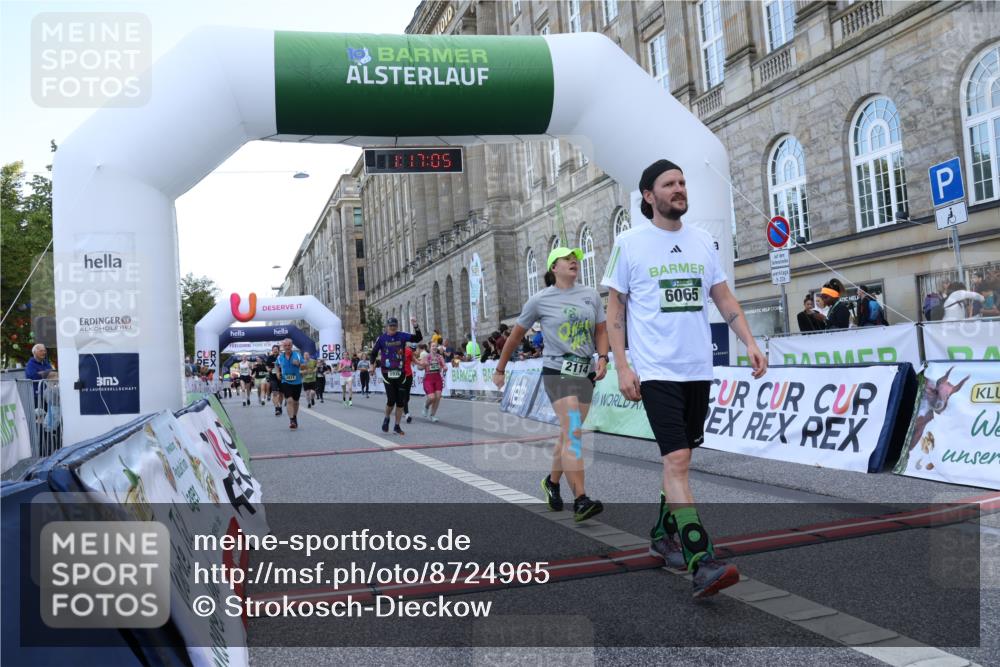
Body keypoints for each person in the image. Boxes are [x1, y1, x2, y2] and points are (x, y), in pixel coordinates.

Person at [602, 158, 767, 599]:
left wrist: (750, 341)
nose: (679, 189)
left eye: (682, 182)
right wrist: (622, 365)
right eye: (668, 184)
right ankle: (700, 559)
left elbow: (723, 297)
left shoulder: (701, 242)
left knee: (681, 458)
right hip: (656, 371)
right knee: (677, 460)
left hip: (698, 369)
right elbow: (615, 309)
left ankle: (662, 534)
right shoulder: (629, 243)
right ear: (648, 195)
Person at [495, 245, 609, 522]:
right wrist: (500, 368)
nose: (573, 262)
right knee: (573, 432)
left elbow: (601, 330)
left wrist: (604, 357)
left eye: (575, 259)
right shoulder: (539, 300)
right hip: (557, 371)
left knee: (569, 433)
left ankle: (552, 482)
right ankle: (581, 499)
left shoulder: (591, 295)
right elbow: (514, 336)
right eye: (567, 259)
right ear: (553, 268)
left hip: (584, 372)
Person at [370, 316, 423, 434]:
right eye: (390, 326)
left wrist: (415, 325)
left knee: (400, 401)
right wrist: (371, 366)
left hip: (401, 373)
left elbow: (418, 338)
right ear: (387, 327)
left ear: (397, 326)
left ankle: (397, 426)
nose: (392, 328)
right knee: (391, 400)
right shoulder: (382, 338)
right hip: (387, 373)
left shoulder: (401, 335)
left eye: (394, 326)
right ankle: (386, 418)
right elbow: (373, 353)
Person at [274, 338, 303, 430]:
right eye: (285, 345)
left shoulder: (297, 355)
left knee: (296, 402)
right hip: (285, 381)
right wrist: (277, 373)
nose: (287, 347)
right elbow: (276, 365)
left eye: (289, 345)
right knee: (289, 400)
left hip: (297, 382)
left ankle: (294, 416)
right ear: (283, 347)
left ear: (292, 346)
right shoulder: (280, 357)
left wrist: (298, 364)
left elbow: (305, 366)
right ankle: (292, 420)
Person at [418, 343, 447, 422]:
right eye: (433, 346)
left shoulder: (440, 357)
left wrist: (445, 368)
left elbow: (444, 365)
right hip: (428, 379)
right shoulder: (426, 357)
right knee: (431, 398)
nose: (434, 347)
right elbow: (419, 367)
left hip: (438, 379)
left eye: (436, 346)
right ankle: (426, 406)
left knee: (438, 397)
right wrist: (423, 365)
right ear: (430, 348)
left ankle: (432, 415)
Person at [266, 344, 283, 416]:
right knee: (275, 392)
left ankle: (280, 405)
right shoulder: (270, 357)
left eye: (276, 349)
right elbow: (267, 366)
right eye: (274, 350)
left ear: (278, 350)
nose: (275, 351)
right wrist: (268, 369)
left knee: (281, 393)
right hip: (273, 377)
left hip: (281, 377)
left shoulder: (282, 357)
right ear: (272, 350)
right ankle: (277, 408)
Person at [401, 343, 415, 424]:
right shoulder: (396, 351)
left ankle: (403, 408)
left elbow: (414, 360)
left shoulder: (409, 351)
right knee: (404, 397)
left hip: (409, 376)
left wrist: (421, 363)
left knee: (407, 397)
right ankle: (407, 414)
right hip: (400, 377)